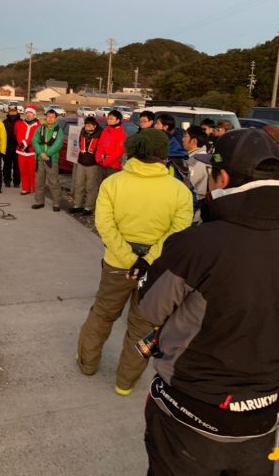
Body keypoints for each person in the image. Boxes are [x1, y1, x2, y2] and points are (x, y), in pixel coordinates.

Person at [137, 128, 279, 476]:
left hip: (193, 407)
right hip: (264, 411)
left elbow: (150, 307)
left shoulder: (198, 243)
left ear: (221, 177)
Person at [77, 129, 193, 395]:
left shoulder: (113, 183)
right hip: (155, 271)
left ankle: (87, 363)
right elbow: (179, 231)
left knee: (102, 315)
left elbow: (104, 224)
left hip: (117, 264)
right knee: (142, 325)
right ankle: (125, 383)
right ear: (163, 154)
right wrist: (147, 260)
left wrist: (130, 259)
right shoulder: (179, 191)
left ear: (133, 151)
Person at [31, 108, 64, 211]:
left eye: (52, 117)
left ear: (55, 118)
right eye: (48, 116)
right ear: (46, 117)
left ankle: (56, 203)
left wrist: (47, 154)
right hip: (40, 158)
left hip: (52, 159)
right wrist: (41, 153)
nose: (50, 118)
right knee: (39, 181)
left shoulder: (58, 130)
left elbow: (58, 144)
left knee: (53, 182)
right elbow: (34, 141)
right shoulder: (40, 128)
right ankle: (39, 201)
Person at [69, 116, 102, 216]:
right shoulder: (83, 132)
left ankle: (89, 207)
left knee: (90, 186)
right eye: (86, 125)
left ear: (94, 126)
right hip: (81, 162)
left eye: (89, 125)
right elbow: (80, 144)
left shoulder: (100, 134)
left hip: (93, 164)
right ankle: (77, 205)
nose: (87, 127)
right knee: (79, 184)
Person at [182, 125, 208, 219]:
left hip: (195, 206)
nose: (183, 139)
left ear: (194, 141)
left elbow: (188, 184)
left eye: (185, 136)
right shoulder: (207, 156)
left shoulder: (195, 161)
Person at [15, 105, 41, 195]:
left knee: (32, 171)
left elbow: (37, 137)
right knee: (23, 170)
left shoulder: (39, 125)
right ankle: (25, 188)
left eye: (31, 112)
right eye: (27, 113)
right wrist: (22, 144)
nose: (29, 114)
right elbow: (18, 135)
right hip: (21, 150)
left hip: (32, 151)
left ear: (34, 114)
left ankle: (34, 188)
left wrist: (28, 144)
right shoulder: (19, 123)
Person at [95, 109, 126, 178]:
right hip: (101, 163)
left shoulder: (121, 135)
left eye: (112, 119)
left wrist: (106, 161)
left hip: (113, 166)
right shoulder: (105, 132)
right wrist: (98, 159)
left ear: (118, 121)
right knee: (100, 185)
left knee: (109, 186)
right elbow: (99, 146)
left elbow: (118, 153)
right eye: (108, 118)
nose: (109, 120)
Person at [3, 105, 22, 188]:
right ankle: (7, 181)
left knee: (17, 166)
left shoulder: (21, 122)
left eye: (14, 111)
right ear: (8, 112)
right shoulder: (4, 122)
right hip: (7, 147)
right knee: (7, 165)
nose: (12, 112)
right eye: (11, 111)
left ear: (17, 111)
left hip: (18, 147)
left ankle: (16, 182)